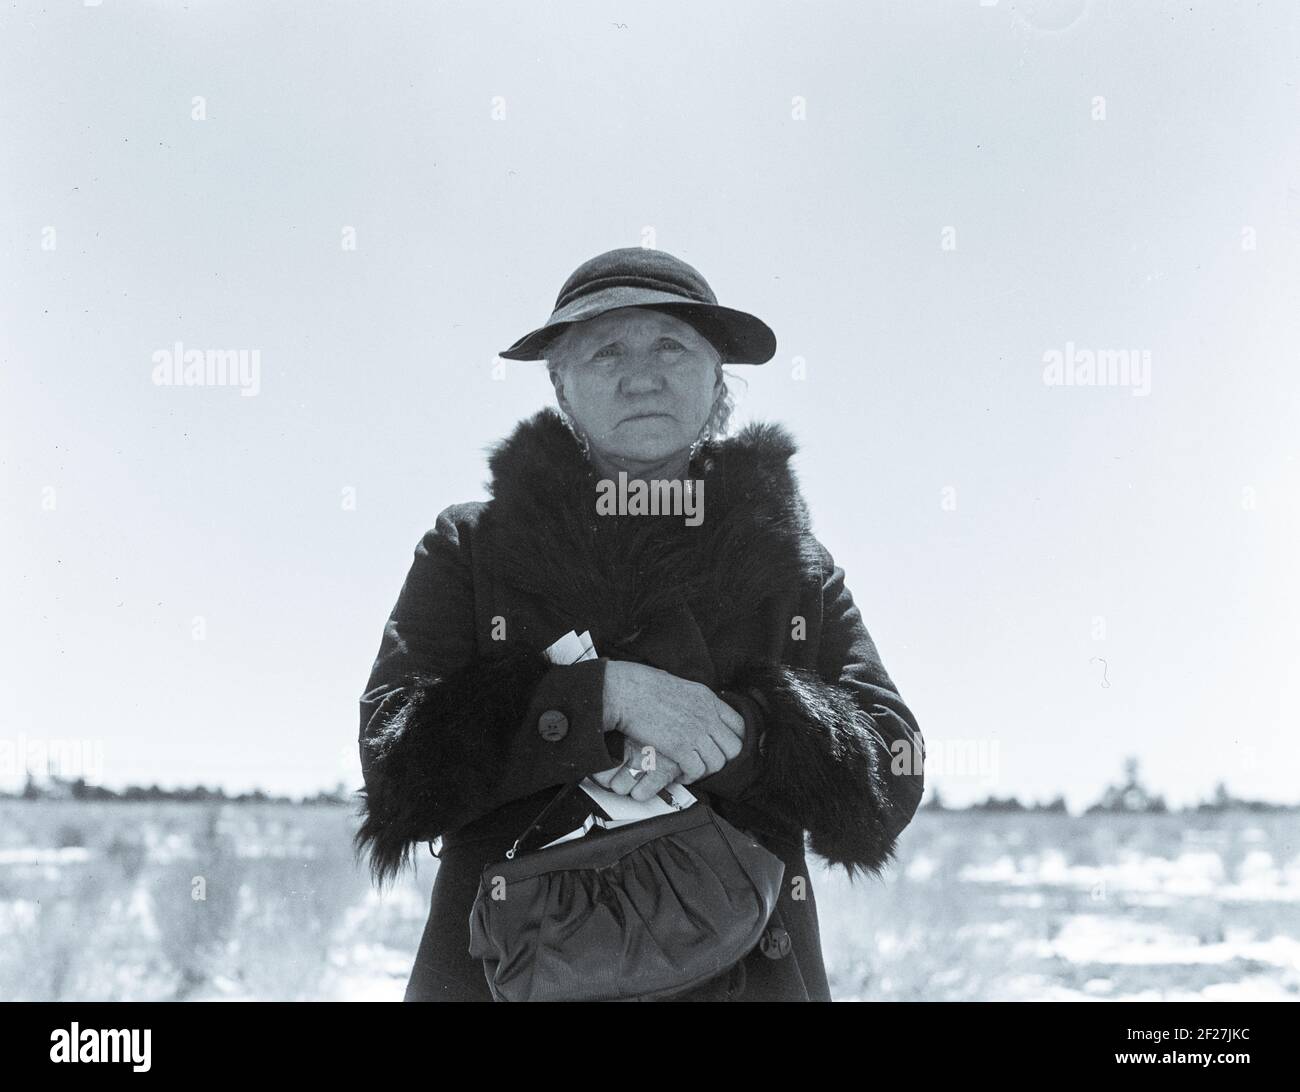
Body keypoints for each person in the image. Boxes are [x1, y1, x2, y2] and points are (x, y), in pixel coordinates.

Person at [355, 246, 925, 1001]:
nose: (641, 373)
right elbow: (394, 764)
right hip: (505, 973)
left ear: (718, 377)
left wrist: (731, 733)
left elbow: (891, 771)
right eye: (606, 350)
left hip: (746, 972)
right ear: (559, 383)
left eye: (670, 345)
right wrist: (598, 700)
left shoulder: (796, 565)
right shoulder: (471, 548)